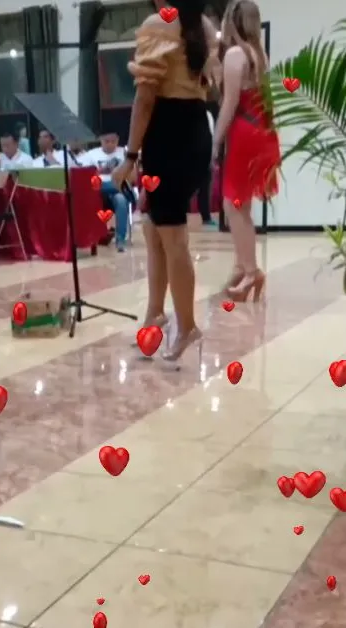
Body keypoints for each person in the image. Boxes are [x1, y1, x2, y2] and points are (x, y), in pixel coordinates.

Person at [112, 0, 221, 361]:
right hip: (191, 128)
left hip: (169, 134)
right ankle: (155, 315)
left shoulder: (158, 24)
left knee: (171, 236)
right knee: (154, 228)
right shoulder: (203, 25)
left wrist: (129, 156)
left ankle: (187, 325)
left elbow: (145, 98)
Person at [212, 0, 280, 300]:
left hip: (243, 133)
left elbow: (229, 104)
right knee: (242, 204)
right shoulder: (258, 54)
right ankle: (242, 266)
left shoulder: (236, 54)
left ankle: (251, 271)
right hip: (262, 131)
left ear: (232, 22)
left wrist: (216, 139)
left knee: (233, 205)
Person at [81, 133, 131, 252]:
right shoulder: (91, 154)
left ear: (118, 141)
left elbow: (131, 176)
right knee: (103, 188)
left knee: (121, 200)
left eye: (113, 141)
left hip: (117, 191)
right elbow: (86, 176)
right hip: (98, 190)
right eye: (107, 141)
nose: (110, 144)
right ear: (100, 140)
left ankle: (120, 240)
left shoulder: (123, 153)